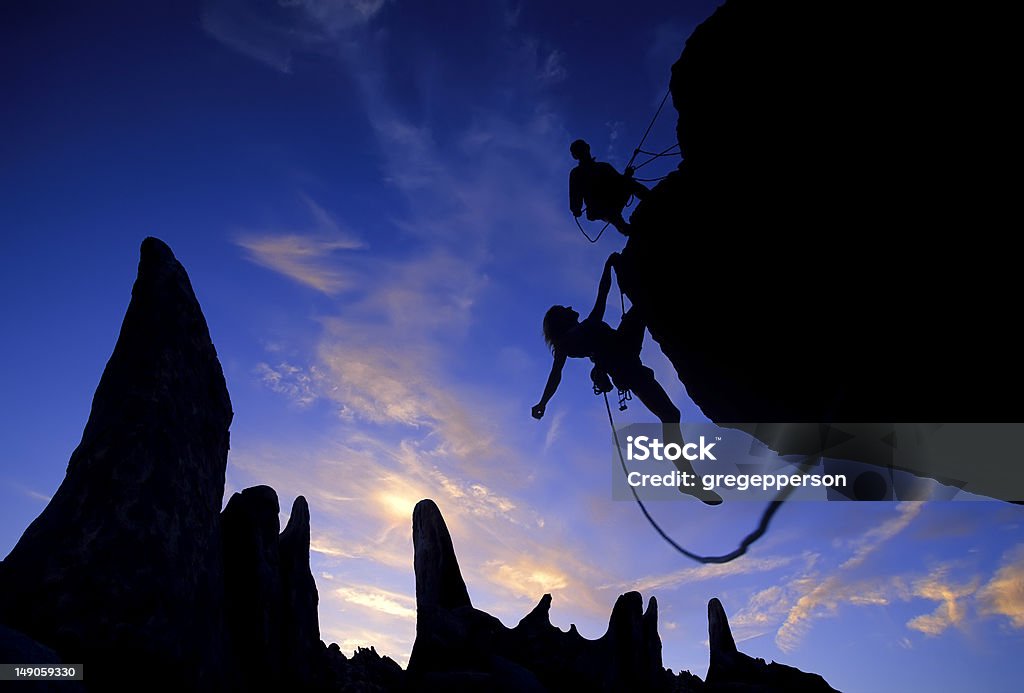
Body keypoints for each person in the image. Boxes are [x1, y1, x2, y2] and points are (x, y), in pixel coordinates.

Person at [532, 253, 722, 504]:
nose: (569, 308)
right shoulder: (576, 335)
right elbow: (601, 298)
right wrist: (608, 265)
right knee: (670, 415)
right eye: (564, 310)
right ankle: (687, 477)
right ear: (561, 320)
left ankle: (687, 478)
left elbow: (561, 371)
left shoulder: (571, 341)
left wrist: (545, 401)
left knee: (670, 415)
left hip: (625, 357)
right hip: (626, 362)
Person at [569, 139, 650, 237]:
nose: (581, 152)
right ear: (588, 147)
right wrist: (576, 209)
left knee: (628, 185)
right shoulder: (600, 167)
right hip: (600, 206)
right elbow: (620, 181)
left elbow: (619, 181)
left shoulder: (580, 172)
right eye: (579, 150)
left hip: (604, 205)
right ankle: (651, 200)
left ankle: (651, 200)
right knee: (614, 213)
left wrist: (576, 209)